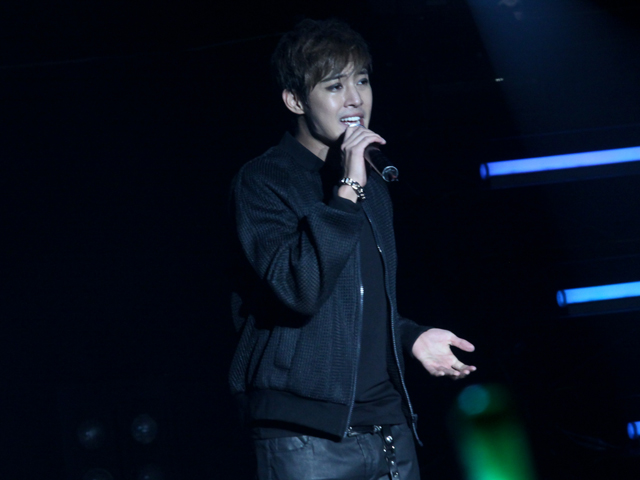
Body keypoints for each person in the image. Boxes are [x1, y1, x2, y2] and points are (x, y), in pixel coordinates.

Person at [229, 18, 476, 480]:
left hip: (389, 429)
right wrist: (346, 191)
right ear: (295, 100)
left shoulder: (371, 186)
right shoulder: (263, 181)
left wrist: (409, 336)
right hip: (306, 438)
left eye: (361, 81)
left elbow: (354, 303)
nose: (355, 99)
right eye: (334, 86)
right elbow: (300, 290)